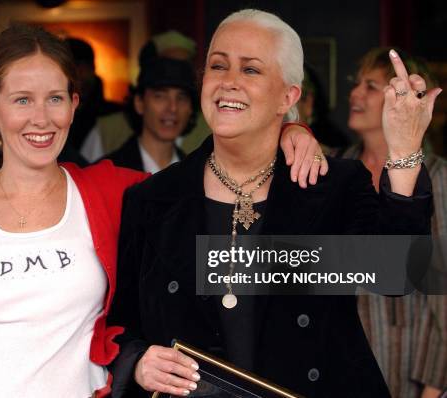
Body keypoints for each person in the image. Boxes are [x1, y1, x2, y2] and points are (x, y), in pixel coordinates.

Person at [0, 21, 331, 398]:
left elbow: (214, 169)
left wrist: (288, 129)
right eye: (21, 99)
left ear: (75, 105)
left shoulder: (110, 191)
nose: (41, 117)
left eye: (55, 98)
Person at [107, 9, 438, 398]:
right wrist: (139, 362)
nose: (229, 82)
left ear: (288, 96)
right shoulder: (152, 199)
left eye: (251, 70)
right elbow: (121, 327)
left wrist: (404, 146)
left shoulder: (329, 187)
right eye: (218, 66)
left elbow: (396, 270)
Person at [342, 47, 446, 398]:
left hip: (409, 367)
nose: (355, 94)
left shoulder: (438, 176)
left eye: (371, 86)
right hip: (340, 359)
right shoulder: (337, 169)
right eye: (356, 84)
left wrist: (435, 385)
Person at [104, 56, 197, 173]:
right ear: (139, 103)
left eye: (181, 98)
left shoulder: (197, 173)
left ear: (190, 108)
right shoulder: (109, 171)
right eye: (160, 96)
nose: (173, 108)